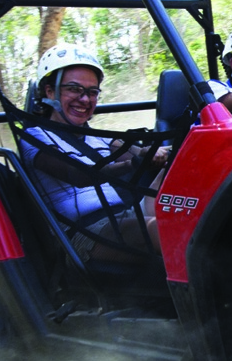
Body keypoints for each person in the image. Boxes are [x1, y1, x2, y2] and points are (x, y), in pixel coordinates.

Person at [18, 44, 167, 260]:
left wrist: (163, 153)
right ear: (50, 91)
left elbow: (138, 152)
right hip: (83, 232)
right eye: (74, 89)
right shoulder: (34, 137)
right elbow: (79, 175)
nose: (85, 99)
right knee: (166, 230)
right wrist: (134, 162)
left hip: (123, 215)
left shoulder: (99, 135)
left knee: (188, 202)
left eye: (92, 92)